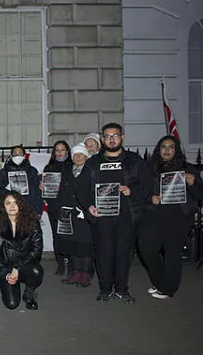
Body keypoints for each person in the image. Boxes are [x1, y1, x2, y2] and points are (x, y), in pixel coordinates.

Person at [76, 122, 153, 304]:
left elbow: (148, 185)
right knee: (104, 252)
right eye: (108, 136)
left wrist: (131, 190)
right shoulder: (93, 163)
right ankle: (105, 289)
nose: (111, 139)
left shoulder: (135, 161)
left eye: (115, 135)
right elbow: (82, 188)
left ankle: (121, 289)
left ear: (122, 137)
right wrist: (89, 206)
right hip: (101, 217)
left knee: (123, 254)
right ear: (102, 139)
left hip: (127, 216)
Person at [139, 136, 203, 299]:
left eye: (171, 147)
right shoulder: (148, 168)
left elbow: (199, 194)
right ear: (158, 149)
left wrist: (193, 183)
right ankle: (160, 283)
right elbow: (140, 192)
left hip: (179, 216)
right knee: (147, 249)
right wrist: (150, 198)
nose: (167, 150)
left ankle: (169, 289)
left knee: (172, 252)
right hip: (153, 214)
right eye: (164, 146)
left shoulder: (188, 168)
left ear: (176, 150)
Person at [0, 191, 44, 310]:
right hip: (6, 267)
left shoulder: (33, 223)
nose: (12, 206)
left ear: (21, 205)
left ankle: (29, 292)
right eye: (8, 203)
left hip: (25, 265)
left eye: (15, 203)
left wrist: (17, 268)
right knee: (12, 304)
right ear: (3, 207)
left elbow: (36, 250)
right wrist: (7, 272)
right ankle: (12, 282)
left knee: (37, 271)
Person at [53, 144, 96, 287]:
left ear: (86, 156)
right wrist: (59, 208)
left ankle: (85, 273)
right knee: (72, 244)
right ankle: (76, 272)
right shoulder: (67, 171)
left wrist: (87, 209)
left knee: (86, 244)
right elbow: (61, 190)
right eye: (75, 155)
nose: (77, 157)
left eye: (80, 154)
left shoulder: (92, 171)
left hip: (85, 213)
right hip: (69, 213)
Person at [41, 140, 72, 276]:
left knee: (70, 236)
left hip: (69, 206)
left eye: (62, 150)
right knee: (56, 236)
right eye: (57, 150)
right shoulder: (49, 167)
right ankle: (60, 264)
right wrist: (43, 188)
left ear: (67, 151)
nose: (60, 153)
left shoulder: (73, 166)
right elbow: (46, 188)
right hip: (54, 205)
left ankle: (71, 264)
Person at [0, 145, 43, 215]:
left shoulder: (32, 171)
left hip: (29, 210)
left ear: (24, 156)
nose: (17, 155)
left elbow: (38, 193)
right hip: (10, 210)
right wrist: (8, 191)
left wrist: (39, 211)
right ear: (11, 156)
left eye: (20, 153)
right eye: (15, 153)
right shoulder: (4, 172)